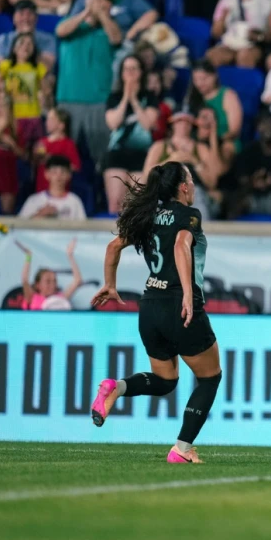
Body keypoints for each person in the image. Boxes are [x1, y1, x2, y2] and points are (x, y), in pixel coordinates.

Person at [90, 161, 223, 464]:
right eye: (191, 179)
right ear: (183, 187)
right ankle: (182, 449)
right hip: (179, 305)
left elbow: (113, 247)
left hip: (149, 306)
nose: (193, 185)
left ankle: (115, 388)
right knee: (210, 378)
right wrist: (187, 294)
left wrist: (110, 284)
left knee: (166, 380)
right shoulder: (189, 215)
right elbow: (180, 245)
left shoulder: (148, 216)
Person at [56, 0, 121, 166]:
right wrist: (87, 12)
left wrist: (102, 15)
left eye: (105, 2)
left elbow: (116, 38)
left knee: (103, 157)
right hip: (69, 99)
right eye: (98, 0)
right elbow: (61, 30)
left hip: (99, 101)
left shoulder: (109, 29)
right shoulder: (73, 26)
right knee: (64, 157)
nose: (102, 4)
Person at [104, 55, 160, 214]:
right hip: (117, 153)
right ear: (121, 73)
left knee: (137, 205)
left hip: (142, 154)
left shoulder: (150, 97)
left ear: (141, 72)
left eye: (134, 68)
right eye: (126, 69)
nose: (130, 72)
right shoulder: (114, 97)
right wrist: (125, 98)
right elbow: (113, 123)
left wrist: (134, 100)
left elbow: (148, 124)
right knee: (116, 204)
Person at [142, 111, 222, 219]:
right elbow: (146, 177)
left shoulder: (201, 149)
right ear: (172, 124)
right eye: (179, 121)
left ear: (192, 125)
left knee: (199, 204)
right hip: (164, 194)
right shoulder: (159, 146)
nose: (183, 125)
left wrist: (194, 161)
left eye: (187, 121)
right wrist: (171, 159)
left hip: (194, 194)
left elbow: (212, 182)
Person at [207, 0, 271, 69]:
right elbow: (215, 33)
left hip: (253, 45)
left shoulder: (268, 2)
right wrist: (222, 19)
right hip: (229, 43)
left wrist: (258, 37)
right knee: (213, 55)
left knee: (244, 56)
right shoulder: (226, 0)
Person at [66, 0, 159, 47]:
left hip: (124, 42)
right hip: (95, 43)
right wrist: (88, 11)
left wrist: (132, 33)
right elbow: (68, 26)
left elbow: (151, 14)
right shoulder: (84, 0)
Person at [0, 32, 50, 150]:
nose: (26, 46)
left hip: (33, 116)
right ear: (14, 48)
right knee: (13, 150)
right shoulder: (6, 66)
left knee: (35, 151)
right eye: (22, 43)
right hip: (12, 117)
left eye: (30, 44)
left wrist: (45, 94)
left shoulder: (38, 68)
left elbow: (46, 91)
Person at [185, 60, 243, 155]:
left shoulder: (227, 95)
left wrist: (214, 140)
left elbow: (234, 130)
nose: (199, 83)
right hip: (198, 142)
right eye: (196, 80)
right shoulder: (192, 97)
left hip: (224, 141)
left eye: (204, 78)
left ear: (214, 76)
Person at [17, 238, 83, 310]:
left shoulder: (60, 298)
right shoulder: (32, 297)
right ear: (38, 285)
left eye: (54, 281)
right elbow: (25, 280)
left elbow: (78, 280)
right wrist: (28, 256)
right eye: (48, 281)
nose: (52, 284)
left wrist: (70, 256)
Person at [0, 0, 57, 72]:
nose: (26, 18)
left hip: (37, 76)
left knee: (49, 77)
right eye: (21, 14)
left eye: (30, 14)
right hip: (10, 76)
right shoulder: (4, 39)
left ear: (36, 18)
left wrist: (30, 43)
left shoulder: (48, 39)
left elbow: (48, 67)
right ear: (14, 18)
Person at [18, 154, 87, 220]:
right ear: (46, 174)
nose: (59, 176)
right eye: (54, 172)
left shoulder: (74, 201)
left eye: (63, 172)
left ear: (69, 175)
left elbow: (83, 226)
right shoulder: (34, 200)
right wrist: (40, 214)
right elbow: (19, 224)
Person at [32, 107, 81, 193]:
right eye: (47, 119)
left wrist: (53, 159)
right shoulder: (42, 142)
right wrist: (36, 156)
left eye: (51, 120)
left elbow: (75, 167)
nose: (47, 122)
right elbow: (35, 163)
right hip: (41, 189)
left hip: (60, 191)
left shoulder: (68, 144)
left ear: (61, 125)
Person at [0, 90, 22, 215]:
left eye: (4, 105)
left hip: (7, 173)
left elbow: (23, 155)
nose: (1, 108)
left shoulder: (15, 128)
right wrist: (0, 127)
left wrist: (12, 144)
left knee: (7, 213)